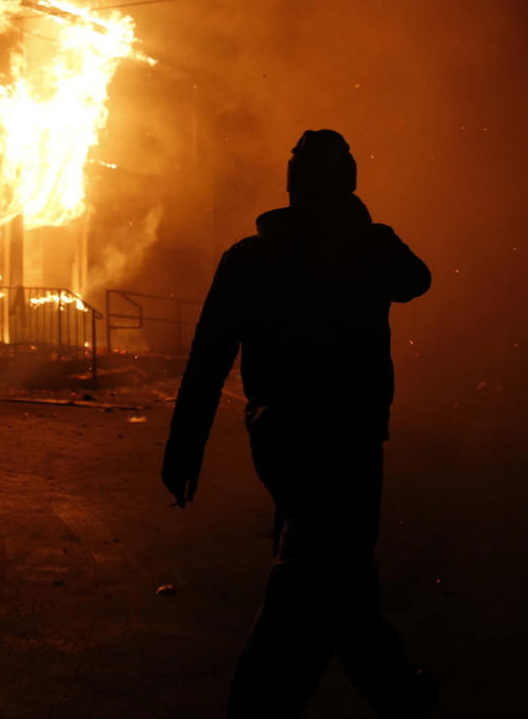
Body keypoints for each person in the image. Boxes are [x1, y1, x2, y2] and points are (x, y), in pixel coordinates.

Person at [162, 129, 435, 718]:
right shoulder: (367, 248)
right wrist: (362, 227)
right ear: (348, 184)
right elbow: (416, 278)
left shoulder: (250, 257)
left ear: (291, 189)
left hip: (280, 438)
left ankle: (400, 695)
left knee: (339, 578)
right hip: (350, 439)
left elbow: (208, 358)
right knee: (310, 581)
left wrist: (183, 448)